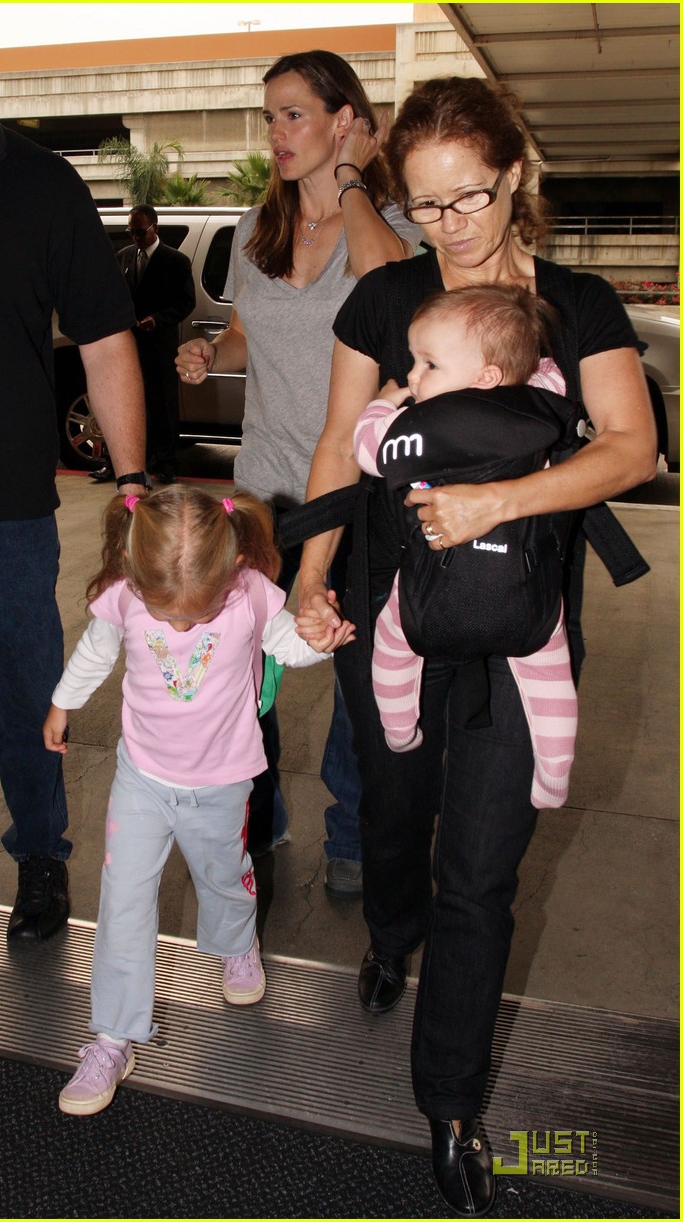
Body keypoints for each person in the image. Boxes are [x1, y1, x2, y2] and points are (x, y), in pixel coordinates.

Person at [296, 76, 657, 1217]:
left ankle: (449, 1108)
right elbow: (338, 447)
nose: (450, 227)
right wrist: (308, 575)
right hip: (389, 609)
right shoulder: (386, 298)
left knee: (485, 869)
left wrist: (499, 503)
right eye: (424, 204)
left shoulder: (576, 305)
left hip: (518, 622)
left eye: (470, 197)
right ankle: (387, 933)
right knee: (394, 811)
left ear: (515, 176)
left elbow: (633, 448)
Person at [175, 49, 420, 892]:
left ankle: (350, 834)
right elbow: (248, 330)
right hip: (264, 484)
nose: (276, 133)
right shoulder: (259, 228)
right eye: (269, 116)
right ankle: (259, 812)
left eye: (294, 115)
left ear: (344, 120)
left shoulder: (390, 224)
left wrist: (350, 179)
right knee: (246, 664)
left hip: (360, 487)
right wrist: (212, 351)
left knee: (354, 668)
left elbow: (389, 286)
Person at [43, 485, 352, 1116]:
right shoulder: (125, 595)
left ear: (234, 566)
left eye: (196, 613)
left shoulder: (251, 592)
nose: (181, 626)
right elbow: (96, 651)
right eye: (167, 613)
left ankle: (236, 944)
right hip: (142, 778)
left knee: (223, 875)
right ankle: (113, 1036)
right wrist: (61, 703)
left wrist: (321, 641)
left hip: (223, 779)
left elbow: (287, 647)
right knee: (123, 899)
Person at [0, 4, 148, 944]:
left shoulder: (38, 183)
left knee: (31, 702)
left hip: (1, 514)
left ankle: (40, 859)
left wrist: (133, 483)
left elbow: (106, 341)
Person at [353, 283, 578, 809]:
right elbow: (550, 375)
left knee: (391, 644)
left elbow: (365, 451)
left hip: (431, 592)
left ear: (486, 377)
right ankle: (553, 773)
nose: (413, 376)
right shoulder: (541, 407)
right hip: (525, 585)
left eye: (429, 364)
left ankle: (399, 729)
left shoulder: (421, 429)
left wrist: (380, 405)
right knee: (549, 674)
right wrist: (533, 365)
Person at [91, 205, 196, 486]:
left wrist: (158, 320)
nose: (135, 237)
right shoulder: (124, 257)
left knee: (162, 405)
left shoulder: (176, 261)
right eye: (131, 232)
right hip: (128, 344)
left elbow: (186, 302)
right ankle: (115, 463)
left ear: (155, 228)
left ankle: (166, 464)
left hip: (160, 345)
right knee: (122, 403)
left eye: (140, 232)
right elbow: (113, 297)